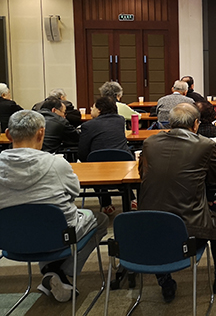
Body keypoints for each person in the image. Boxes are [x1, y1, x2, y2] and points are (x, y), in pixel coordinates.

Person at [0, 110, 108, 303]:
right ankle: (58, 270)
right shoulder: (57, 164)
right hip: (57, 235)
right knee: (100, 220)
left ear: (8, 134)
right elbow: (74, 192)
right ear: (41, 133)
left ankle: (52, 271)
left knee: (42, 223)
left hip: (10, 238)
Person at [138, 103, 216, 301]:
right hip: (188, 232)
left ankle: (165, 282)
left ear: (170, 123)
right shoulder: (205, 145)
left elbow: (143, 173)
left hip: (149, 227)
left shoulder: (150, 143)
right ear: (196, 124)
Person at [78, 96, 131, 214]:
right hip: (123, 164)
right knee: (116, 163)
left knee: (93, 162)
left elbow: (82, 151)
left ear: (99, 110)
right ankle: (131, 199)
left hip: (98, 167)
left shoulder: (88, 126)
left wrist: (87, 162)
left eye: (93, 107)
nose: (91, 109)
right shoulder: (120, 120)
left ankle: (106, 203)